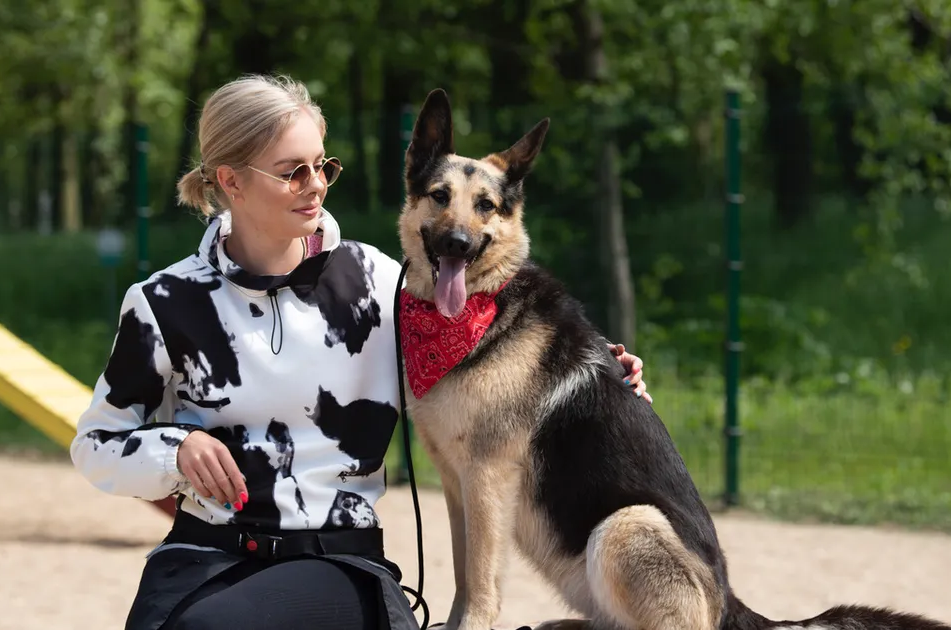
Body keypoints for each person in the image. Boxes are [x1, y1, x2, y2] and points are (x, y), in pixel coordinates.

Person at [69, 73, 652, 630]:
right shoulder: (163, 302)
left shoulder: (384, 284)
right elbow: (95, 445)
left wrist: (593, 383)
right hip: (204, 557)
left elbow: (487, 375)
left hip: (335, 561)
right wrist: (176, 450)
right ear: (232, 181)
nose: (317, 185)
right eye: (292, 172)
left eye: (322, 165)